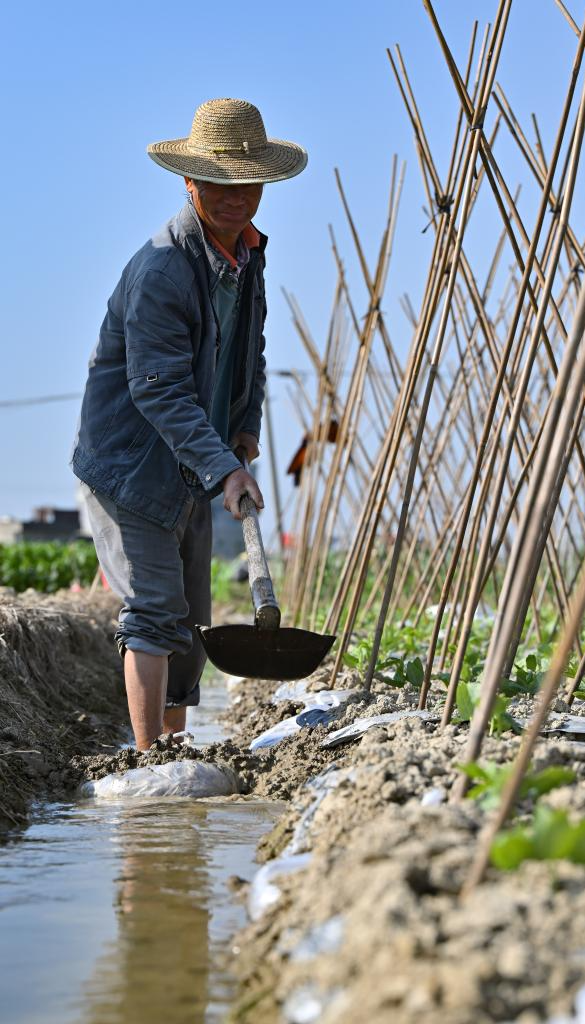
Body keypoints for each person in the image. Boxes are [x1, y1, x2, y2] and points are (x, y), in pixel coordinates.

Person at [71, 98, 307, 750]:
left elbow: (250, 355)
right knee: (153, 609)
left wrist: (244, 428)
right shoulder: (162, 269)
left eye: (245, 185)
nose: (234, 199)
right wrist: (223, 467)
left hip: (195, 458)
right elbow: (160, 390)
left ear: (263, 184)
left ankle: (177, 742)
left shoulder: (248, 256)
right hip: (131, 465)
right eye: (217, 185)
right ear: (189, 182)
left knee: (193, 621)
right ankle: (147, 761)